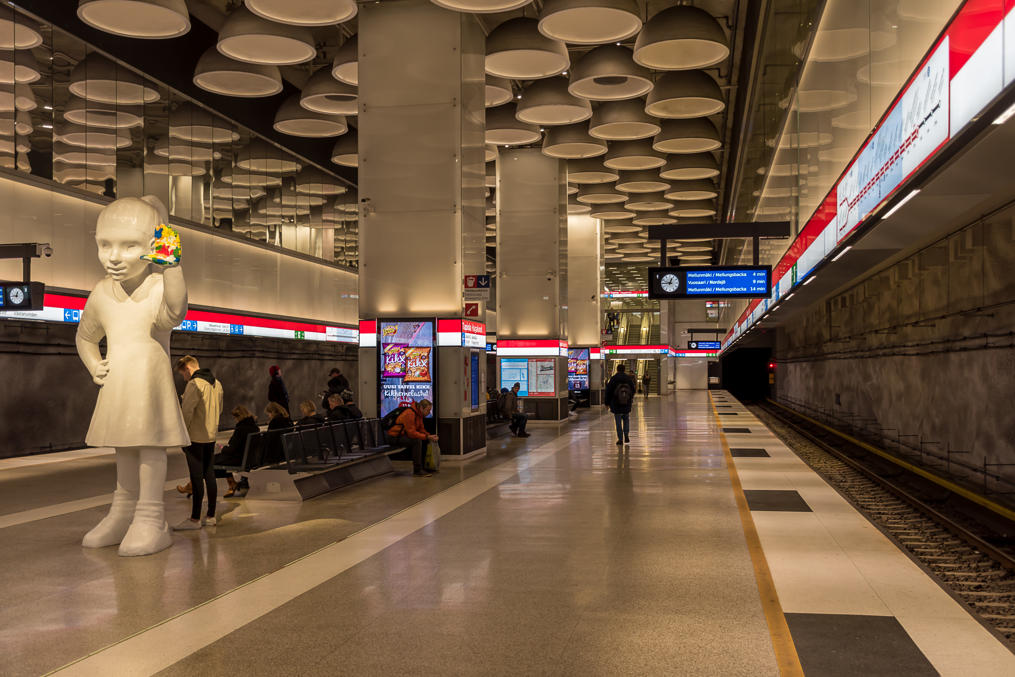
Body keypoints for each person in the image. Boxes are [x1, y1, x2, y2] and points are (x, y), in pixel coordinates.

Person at [76, 195, 190, 557]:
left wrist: (168, 246)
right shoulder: (100, 293)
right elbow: (85, 336)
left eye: (129, 246)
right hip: (120, 380)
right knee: (124, 446)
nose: (113, 256)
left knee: (149, 445)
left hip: (148, 378)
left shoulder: (157, 287)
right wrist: (94, 363)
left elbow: (175, 309)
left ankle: (150, 514)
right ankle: (123, 510)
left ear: (152, 246)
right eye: (104, 245)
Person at [174, 355, 224, 530]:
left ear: (188, 368)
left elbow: (187, 413)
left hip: (194, 437)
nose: (184, 377)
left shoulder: (194, 384)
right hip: (210, 436)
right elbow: (221, 408)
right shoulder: (216, 383)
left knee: (196, 478)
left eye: (183, 374)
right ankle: (210, 515)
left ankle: (195, 519)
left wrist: (183, 436)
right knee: (209, 475)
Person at [214, 405, 258, 497]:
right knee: (216, 459)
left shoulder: (240, 429)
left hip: (239, 459)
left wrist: (223, 448)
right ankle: (232, 484)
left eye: (235, 417)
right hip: (248, 458)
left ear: (239, 416)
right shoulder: (254, 427)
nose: (235, 420)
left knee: (211, 461)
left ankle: (232, 484)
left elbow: (232, 449)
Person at [387, 399, 438, 477]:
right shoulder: (409, 414)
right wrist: (427, 437)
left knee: (424, 440)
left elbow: (421, 429)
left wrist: (429, 436)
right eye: (427, 410)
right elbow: (411, 433)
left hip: (403, 435)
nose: (429, 413)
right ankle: (417, 469)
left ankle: (425, 466)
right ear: (421, 408)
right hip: (394, 437)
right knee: (416, 441)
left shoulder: (419, 414)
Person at [605, 363, 636, 446]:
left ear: (617, 370)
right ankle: (626, 435)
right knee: (626, 419)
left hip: (616, 403)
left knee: (618, 422)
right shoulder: (628, 379)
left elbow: (608, 391)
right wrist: (629, 398)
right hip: (626, 403)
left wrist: (607, 403)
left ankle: (620, 439)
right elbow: (633, 389)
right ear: (624, 370)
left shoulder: (613, 379)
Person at [263, 401, 294, 465]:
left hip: (276, 453)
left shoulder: (274, 422)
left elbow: (270, 439)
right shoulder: (288, 420)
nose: (269, 416)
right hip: (287, 451)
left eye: (269, 413)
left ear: (273, 412)